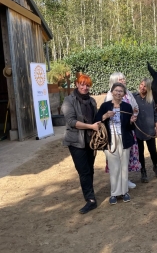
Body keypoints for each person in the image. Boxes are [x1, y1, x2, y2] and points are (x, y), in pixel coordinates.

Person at [62, 74, 100, 214]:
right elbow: (71, 122)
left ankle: (90, 193)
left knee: (90, 168)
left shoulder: (92, 101)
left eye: (87, 85)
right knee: (83, 171)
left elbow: (96, 118)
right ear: (77, 84)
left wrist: (105, 117)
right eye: (82, 84)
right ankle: (90, 200)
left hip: (90, 141)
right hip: (76, 142)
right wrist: (91, 127)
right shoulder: (68, 101)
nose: (84, 87)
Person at [95, 82, 137, 205]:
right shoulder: (105, 105)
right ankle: (114, 193)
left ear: (124, 94)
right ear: (112, 92)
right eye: (116, 90)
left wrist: (132, 121)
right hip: (110, 139)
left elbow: (131, 127)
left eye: (121, 91)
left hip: (124, 139)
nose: (118, 93)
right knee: (114, 166)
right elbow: (96, 121)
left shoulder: (127, 107)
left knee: (124, 166)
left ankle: (124, 192)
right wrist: (105, 115)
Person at [105, 72, 139, 189]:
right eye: (120, 79)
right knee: (116, 158)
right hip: (114, 133)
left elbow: (135, 107)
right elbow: (105, 114)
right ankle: (117, 182)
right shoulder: (110, 95)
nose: (123, 81)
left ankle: (126, 180)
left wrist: (134, 114)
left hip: (127, 130)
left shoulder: (128, 93)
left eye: (124, 79)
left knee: (126, 158)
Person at [133, 78, 157, 183]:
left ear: (148, 88)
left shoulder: (152, 98)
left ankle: (156, 166)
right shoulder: (133, 97)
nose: (142, 87)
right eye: (141, 84)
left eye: (145, 86)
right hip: (138, 130)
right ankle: (143, 171)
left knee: (153, 151)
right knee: (140, 152)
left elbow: (155, 113)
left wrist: (156, 126)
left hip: (150, 130)